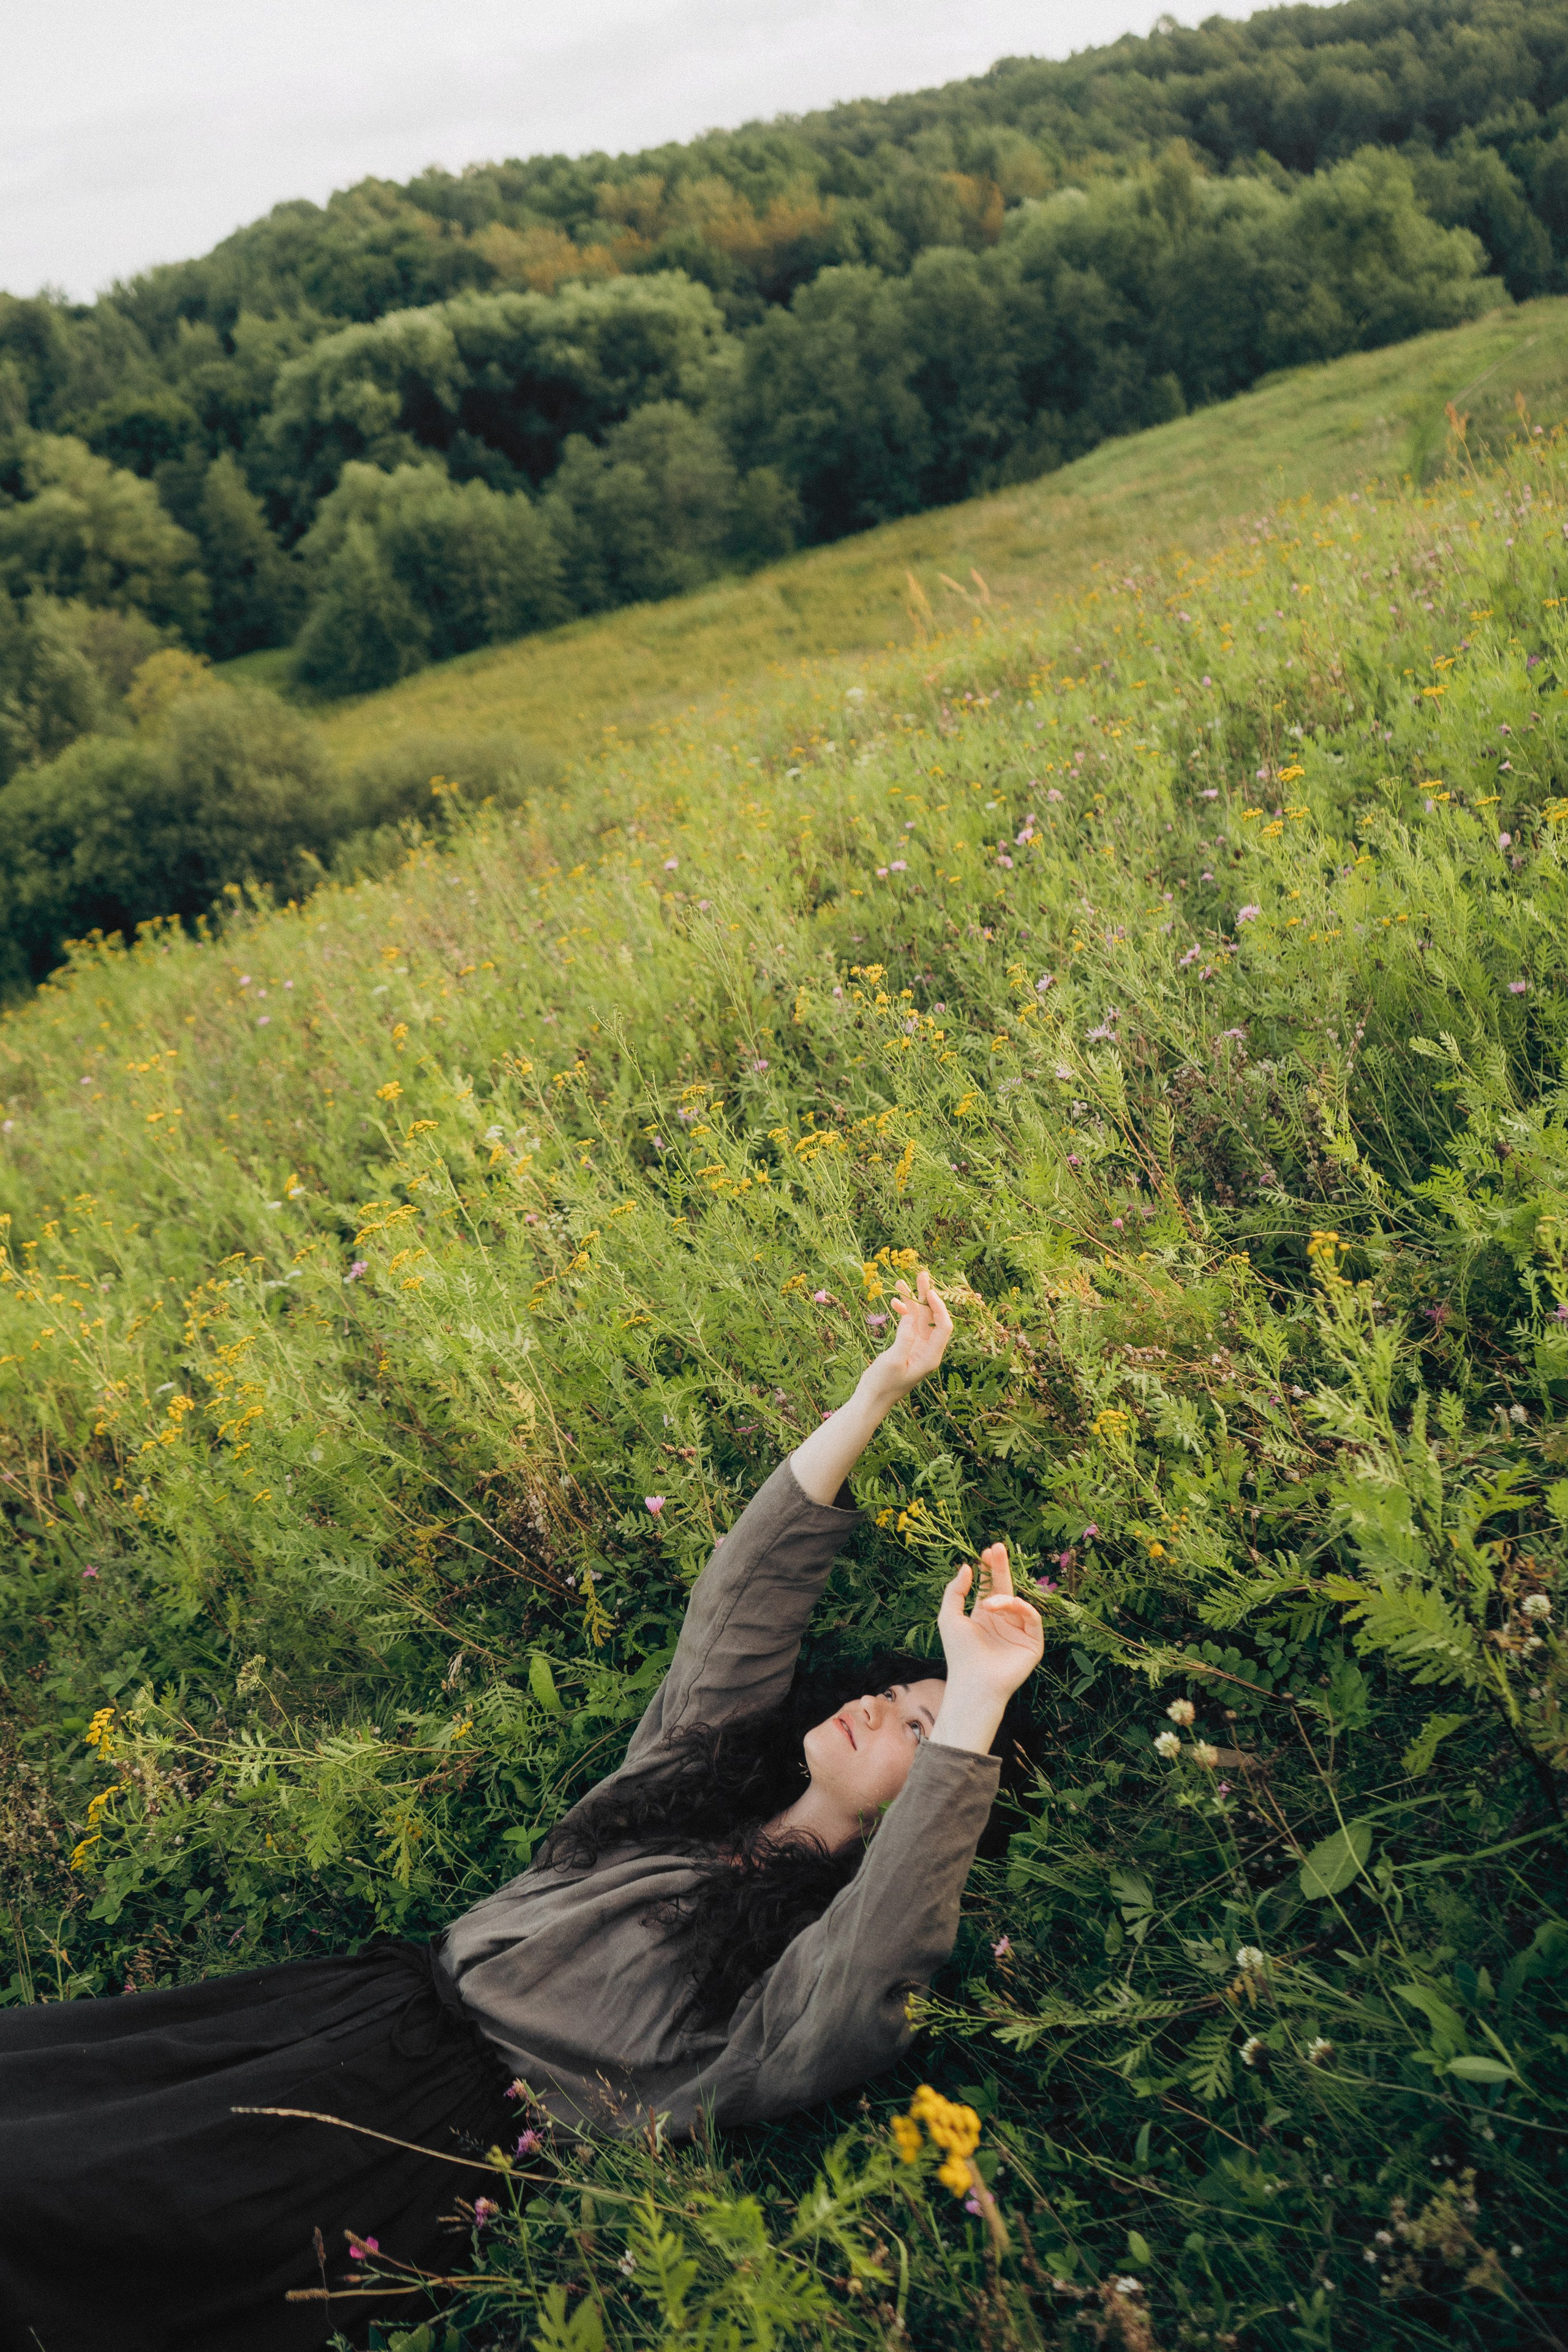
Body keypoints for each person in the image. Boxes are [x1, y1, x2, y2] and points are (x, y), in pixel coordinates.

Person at [0, 1273, 1042, 2351]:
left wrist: (978, 1700)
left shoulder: (798, 1983)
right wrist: (875, 1394)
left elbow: (882, 1946)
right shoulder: (691, 1790)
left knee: (62, 2223)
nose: (874, 1705)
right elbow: (741, 1608)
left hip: (416, 2139)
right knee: (36, 2105)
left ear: (927, 1801)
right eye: (893, 1690)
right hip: (340, 2017)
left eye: (915, 1728)